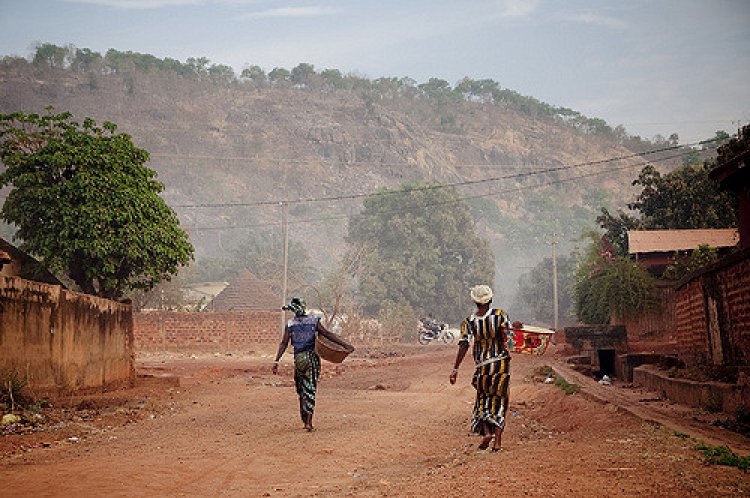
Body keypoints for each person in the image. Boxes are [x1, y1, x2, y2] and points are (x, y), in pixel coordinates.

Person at [449, 285, 522, 452]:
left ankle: (486, 433)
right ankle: (497, 442)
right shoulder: (500, 315)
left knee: (483, 399)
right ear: (490, 300)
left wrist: (455, 369)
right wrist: (516, 328)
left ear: (475, 301)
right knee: (500, 399)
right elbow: (510, 340)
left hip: (482, 366)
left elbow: (464, 345)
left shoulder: (469, 322)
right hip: (500, 363)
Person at [272, 297, 349, 432]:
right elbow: (327, 334)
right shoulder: (314, 321)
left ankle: (304, 418)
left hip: (299, 360)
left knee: (301, 389)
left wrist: (276, 361)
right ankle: (308, 422)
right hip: (312, 358)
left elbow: (284, 343)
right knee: (310, 389)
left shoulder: (290, 324)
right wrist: (345, 345)